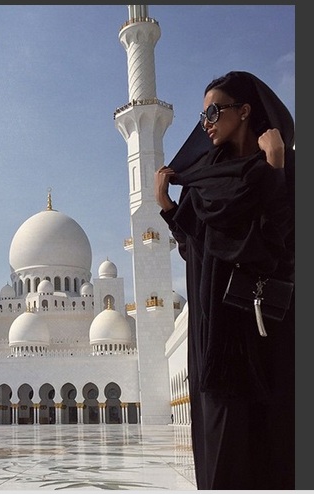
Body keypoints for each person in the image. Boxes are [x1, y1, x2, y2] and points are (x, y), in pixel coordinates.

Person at [154, 71, 295, 490]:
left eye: (214, 112)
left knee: (273, 441)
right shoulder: (203, 182)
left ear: (244, 110)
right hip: (217, 334)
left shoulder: (282, 169)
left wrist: (276, 169)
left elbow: (283, 245)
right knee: (224, 450)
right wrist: (167, 208)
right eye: (203, 116)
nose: (207, 123)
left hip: (266, 329)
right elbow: (195, 248)